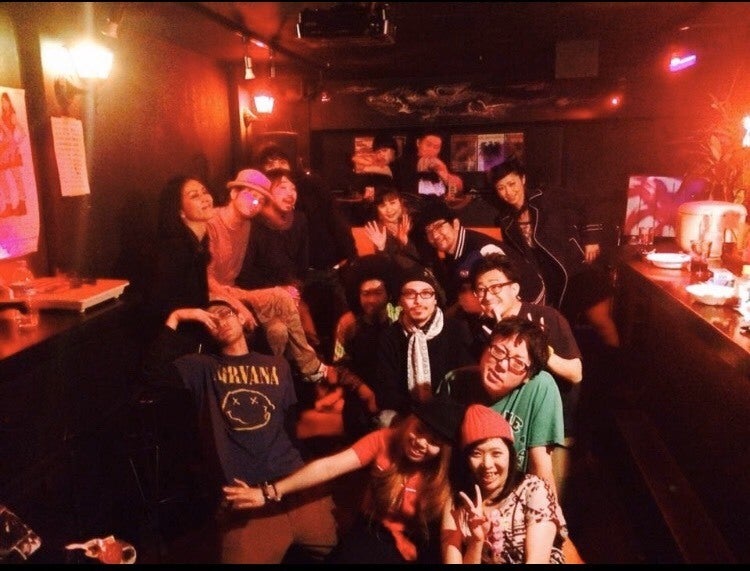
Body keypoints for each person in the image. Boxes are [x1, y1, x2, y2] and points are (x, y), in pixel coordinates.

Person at [142, 299, 339, 564]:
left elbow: (289, 426)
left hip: (294, 485)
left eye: (225, 314)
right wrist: (177, 316)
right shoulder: (203, 367)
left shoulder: (277, 365)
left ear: (242, 318)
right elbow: (153, 373)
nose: (220, 321)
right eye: (211, 320)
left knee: (344, 553)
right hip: (246, 495)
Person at [222, 396, 467, 564]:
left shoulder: (444, 474)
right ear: (411, 422)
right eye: (420, 431)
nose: (421, 443)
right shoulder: (384, 440)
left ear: (444, 450)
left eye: (434, 442)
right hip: (372, 530)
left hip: (415, 544)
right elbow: (330, 466)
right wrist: (269, 492)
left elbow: (449, 534)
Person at [206, 168, 333, 383]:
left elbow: (294, 262)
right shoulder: (212, 223)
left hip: (234, 291)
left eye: (260, 199)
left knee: (278, 330)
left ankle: (276, 381)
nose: (255, 202)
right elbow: (205, 279)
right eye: (250, 194)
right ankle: (311, 367)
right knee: (280, 297)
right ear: (234, 193)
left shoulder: (247, 224)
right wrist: (237, 306)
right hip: (212, 294)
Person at [488, 157, 620, 348]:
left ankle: (618, 361)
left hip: (576, 269)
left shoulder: (547, 197)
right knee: (562, 332)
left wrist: (591, 238)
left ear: (523, 179)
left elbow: (587, 203)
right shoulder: (506, 222)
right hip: (550, 282)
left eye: (512, 183)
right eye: (501, 188)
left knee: (601, 322)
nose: (508, 192)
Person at [436, 317, 564, 499]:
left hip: (513, 499)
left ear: (528, 376)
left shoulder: (541, 386)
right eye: (498, 351)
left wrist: (550, 513)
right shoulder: (454, 382)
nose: (502, 365)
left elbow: (540, 467)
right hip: (460, 493)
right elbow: (441, 463)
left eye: (518, 363)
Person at [441, 404, 568, 564]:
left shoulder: (533, 489)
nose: (487, 464)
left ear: (510, 454)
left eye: (496, 453)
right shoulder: (457, 502)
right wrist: (476, 541)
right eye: (476, 454)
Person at [375, 265, 473, 428]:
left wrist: (438, 410)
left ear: (435, 299)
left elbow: (465, 381)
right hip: (409, 411)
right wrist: (420, 412)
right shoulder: (391, 336)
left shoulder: (457, 329)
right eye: (410, 294)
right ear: (400, 300)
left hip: (449, 408)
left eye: (426, 293)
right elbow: (385, 392)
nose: (418, 301)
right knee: (385, 419)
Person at [418, 197, 544, 311]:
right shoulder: (452, 252)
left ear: (455, 224)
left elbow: (509, 292)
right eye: (429, 231)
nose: (435, 235)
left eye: (439, 226)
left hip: (528, 303)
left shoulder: (483, 250)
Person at [362, 185, 429, 272]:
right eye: (382, 205)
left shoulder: (415, 222)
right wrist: (381, 248)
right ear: (378, 210)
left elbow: (424, 260)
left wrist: (405, 241)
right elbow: (383, 268)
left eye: (392, 203)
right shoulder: (376, 231)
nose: (389, 210)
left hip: (420, 273)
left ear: (401, 204)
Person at [395, 130, 463, 200]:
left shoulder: (441, 163)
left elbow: (457, 190)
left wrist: (443, 172)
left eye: (436, 147)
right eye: (428, 145)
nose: (431, 150)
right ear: (418, 143)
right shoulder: (403, 163)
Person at [0, 92, 27, 217]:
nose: (3, 103)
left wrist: (16, 144)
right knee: (2, 178)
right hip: (3, 149)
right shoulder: (2, 116)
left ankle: (22, 204)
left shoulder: (12, 115)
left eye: (5, 101)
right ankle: (9, 205)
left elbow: (23, 133)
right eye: (2, 101)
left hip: (11, 150)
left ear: (9, 102)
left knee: (17, 177)